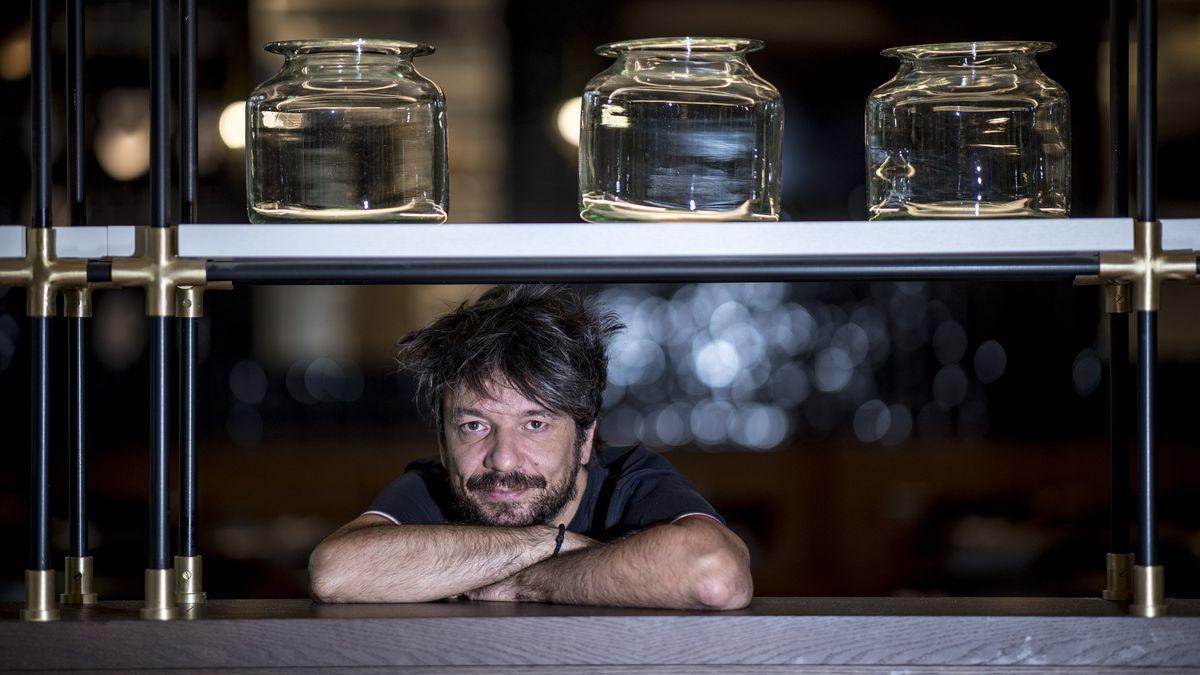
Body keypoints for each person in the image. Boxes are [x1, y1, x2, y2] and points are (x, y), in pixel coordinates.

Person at [308, 284, 752, 610]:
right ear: (443, 446)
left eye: (535, 423)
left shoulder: (629, 480)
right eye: (474, 425)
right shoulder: (434, 484)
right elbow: (336, 572)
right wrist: (548, 543)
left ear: (584, 439)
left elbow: (714, 574)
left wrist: (526, 583)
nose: (502, 458)